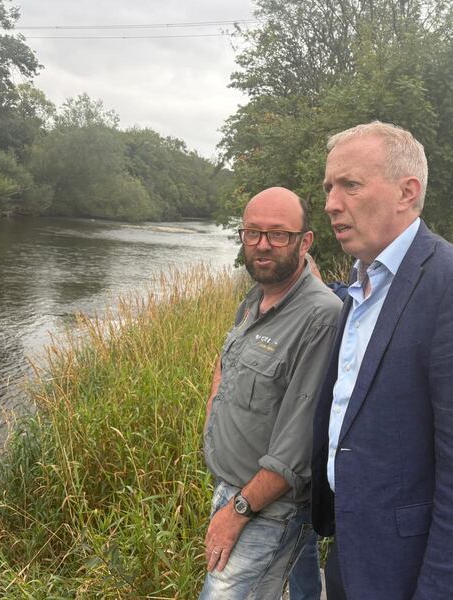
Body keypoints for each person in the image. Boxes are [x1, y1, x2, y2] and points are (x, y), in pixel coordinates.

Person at [311, 122, 453, 600]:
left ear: (407, 192)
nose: (331, 204)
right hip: (351, 552)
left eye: (350, 185)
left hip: (408, 572)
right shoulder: (361, 286)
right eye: (328, 188)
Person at [200, 186, 341, 600]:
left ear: (305, 241)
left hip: (266, 508)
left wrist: (238, 511)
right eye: (252, 233)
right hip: (232, 487)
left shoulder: (321, 317)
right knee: (301, 584)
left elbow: (297, 448)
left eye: (279, 234)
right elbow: (225, 366)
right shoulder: (255, 297)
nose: (263, 245)